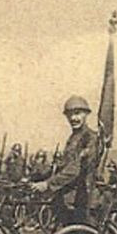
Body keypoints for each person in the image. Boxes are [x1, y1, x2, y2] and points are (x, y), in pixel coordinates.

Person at [30, 95, 100, 225]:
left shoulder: (90, 138)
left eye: (78, 113)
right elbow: (62, 166)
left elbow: (75, 169)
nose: (73, 118)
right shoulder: (73, 138)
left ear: (86, 114)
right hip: (68, 197)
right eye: (70, 115)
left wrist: (48, 184)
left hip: (83, 197)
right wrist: (37, 178)